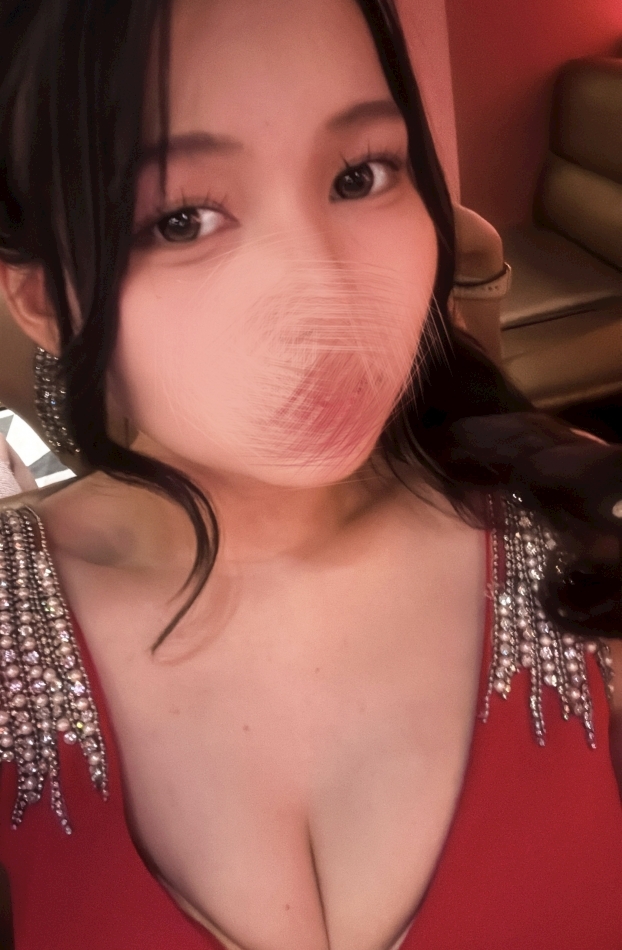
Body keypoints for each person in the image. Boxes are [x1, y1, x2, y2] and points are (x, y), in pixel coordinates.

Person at [0, 2, 620, 949]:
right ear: (47, 301)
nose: (323, 293)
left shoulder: (581, 545)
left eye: (359, 175)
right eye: (181, 219)